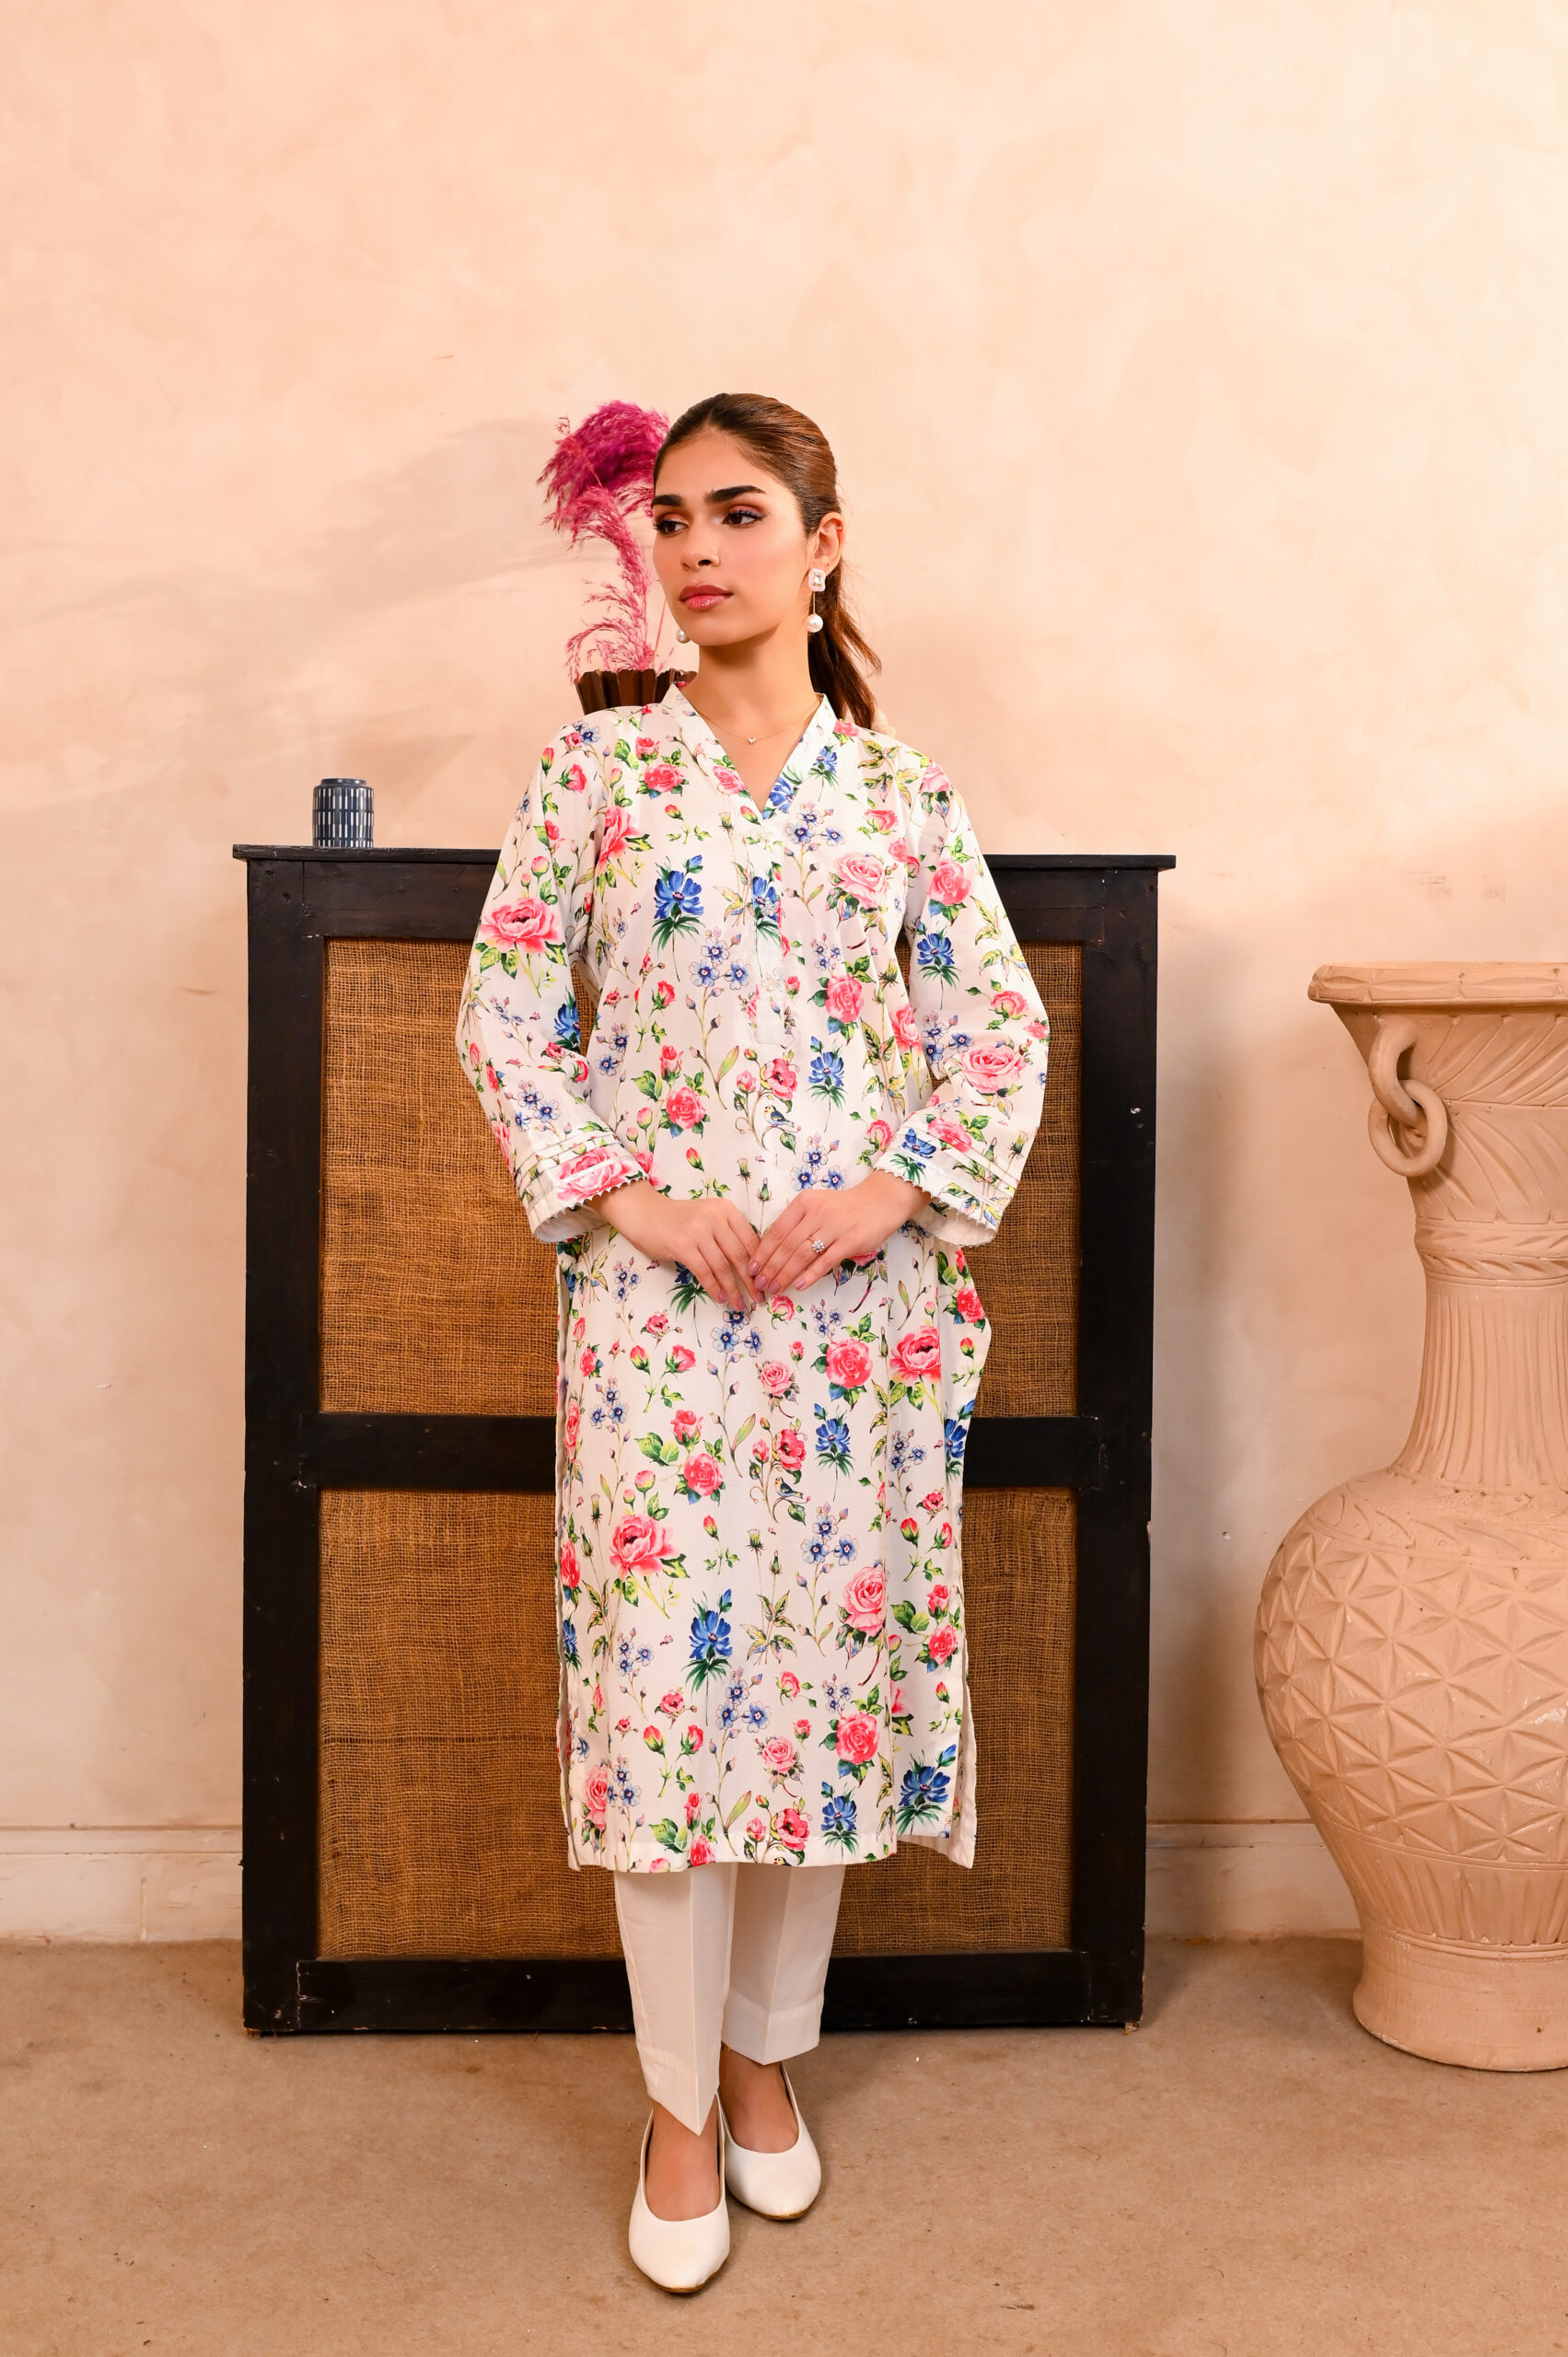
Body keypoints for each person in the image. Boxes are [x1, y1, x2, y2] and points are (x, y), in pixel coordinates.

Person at [457, 392, 1050, 2291]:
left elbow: (997, 1038)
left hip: (853, 1330)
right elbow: (506, 1015)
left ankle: (767, 2056)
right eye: (671, 518)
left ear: (823, 542)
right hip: (658, 1326)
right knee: (664, 1713)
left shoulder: (899, 798)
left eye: (737, 513)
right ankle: (675, 2106)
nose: (696, 549)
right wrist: (627, 1197)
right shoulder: (595, 774)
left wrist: (891, 1191)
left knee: (819, 1694)